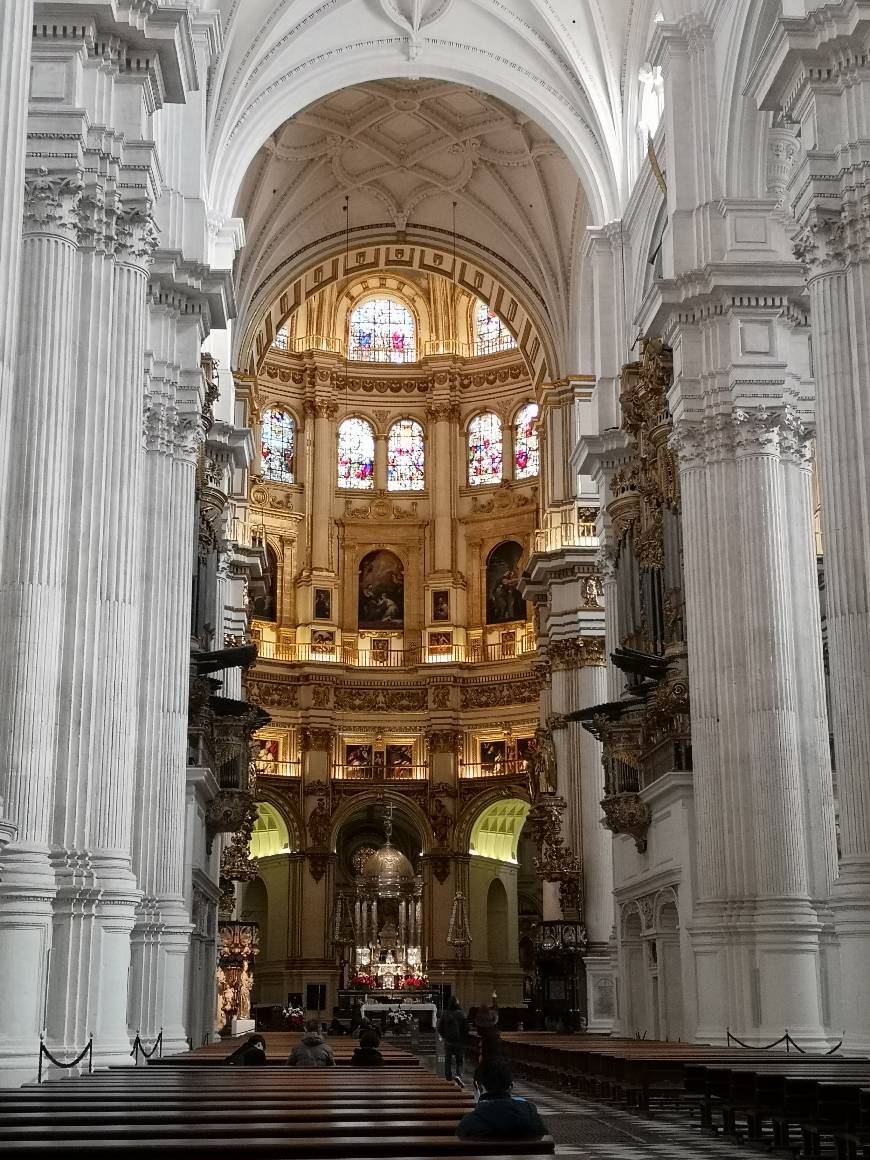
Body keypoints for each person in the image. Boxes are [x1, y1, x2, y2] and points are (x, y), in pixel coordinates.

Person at [456, 1058, 547, 1141]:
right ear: (511, 1087)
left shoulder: (470, 1121)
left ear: (480, 1087)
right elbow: (543, 1136)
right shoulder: (530, 1113)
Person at [436, 995, 468, 1087]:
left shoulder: (444, 1013)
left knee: (448, 1060)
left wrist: (444, 1036)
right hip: (459, 1041)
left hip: (448, 1041)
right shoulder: (461, 1014)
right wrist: (463, 1038)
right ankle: (458, 1075)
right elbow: (466, 1028)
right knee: (459, 1061)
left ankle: (448, 1078)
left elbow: (439, 1027)